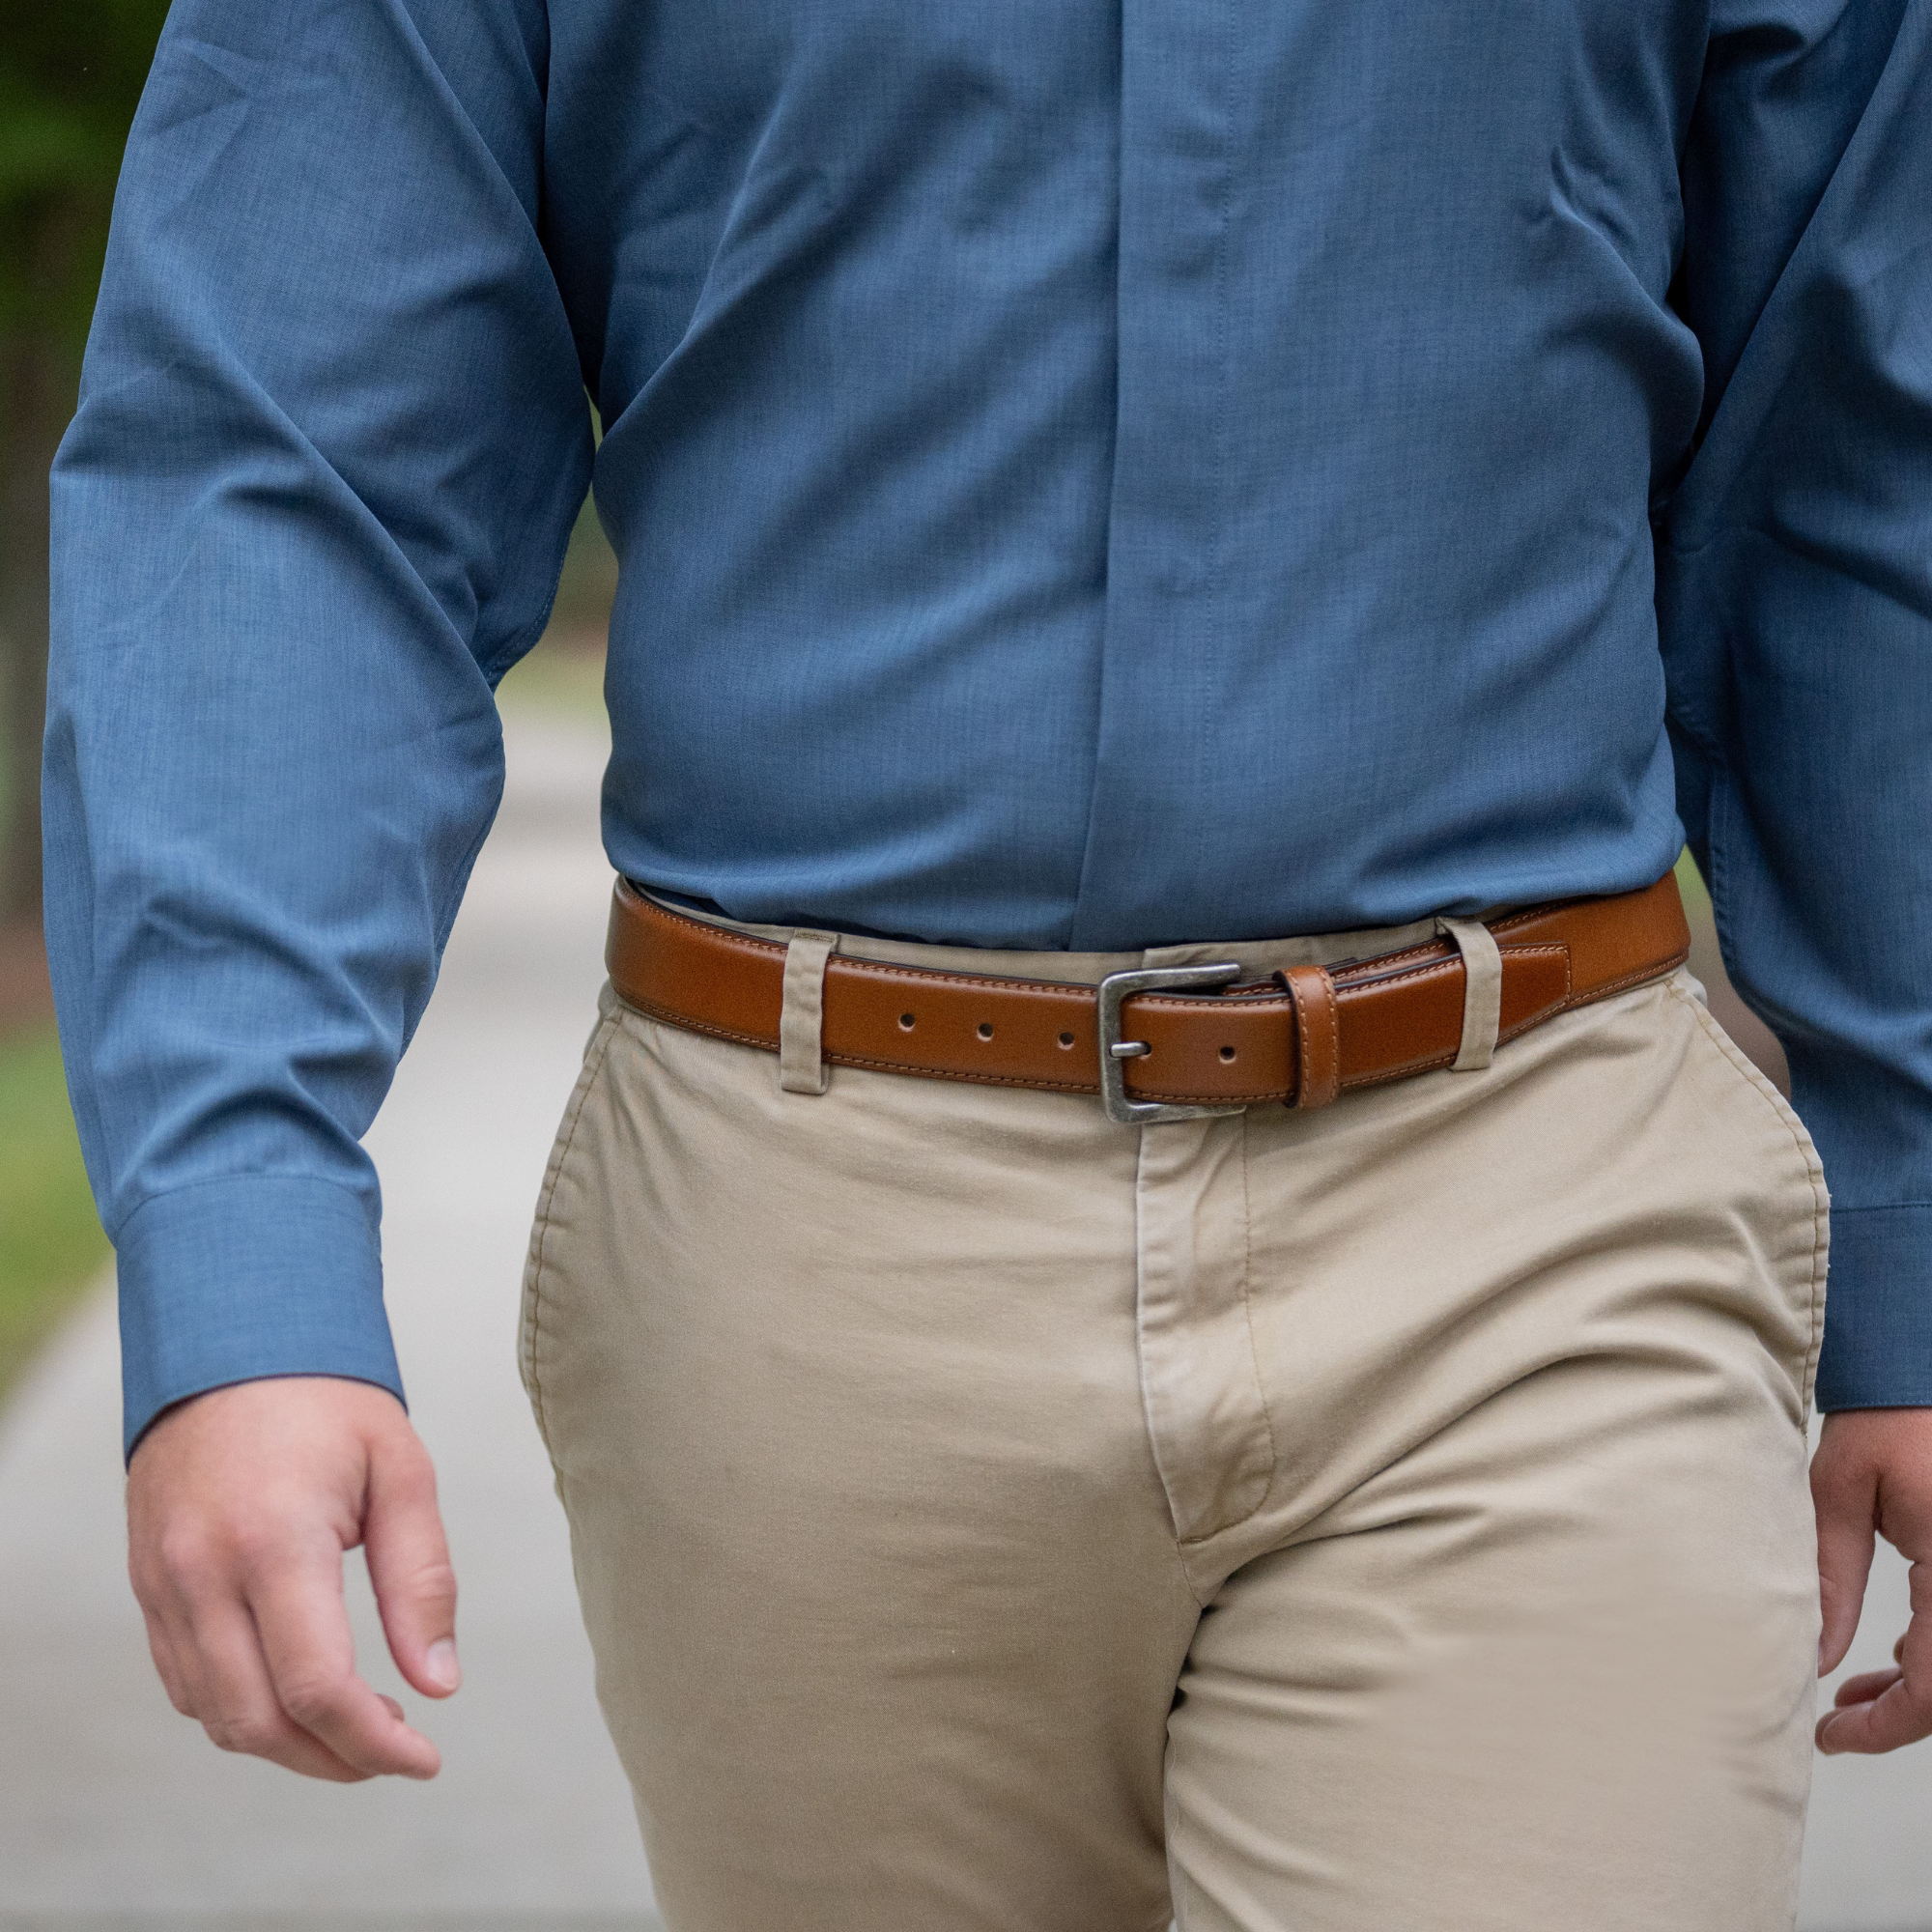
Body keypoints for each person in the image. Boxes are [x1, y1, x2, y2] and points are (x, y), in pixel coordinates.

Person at [43, 1, 1932, 1926]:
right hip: (797, 1243)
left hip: (1532, 1200)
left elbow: (1853, 446)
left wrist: (1914, 1238)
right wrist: (239, 1242)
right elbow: (286, 462)